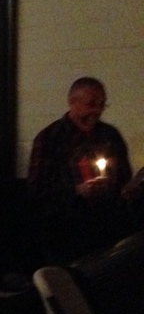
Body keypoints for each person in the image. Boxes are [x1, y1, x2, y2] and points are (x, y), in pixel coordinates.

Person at [27, 77, 133, 262]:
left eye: (101, 105)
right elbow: (37, 189)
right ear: (72, 102)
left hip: (108, 228)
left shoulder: (110, 136)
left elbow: (124, 178)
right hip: (65, 232)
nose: (97, 111)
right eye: (91, 104)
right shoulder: (50, 138)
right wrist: (77, 191)